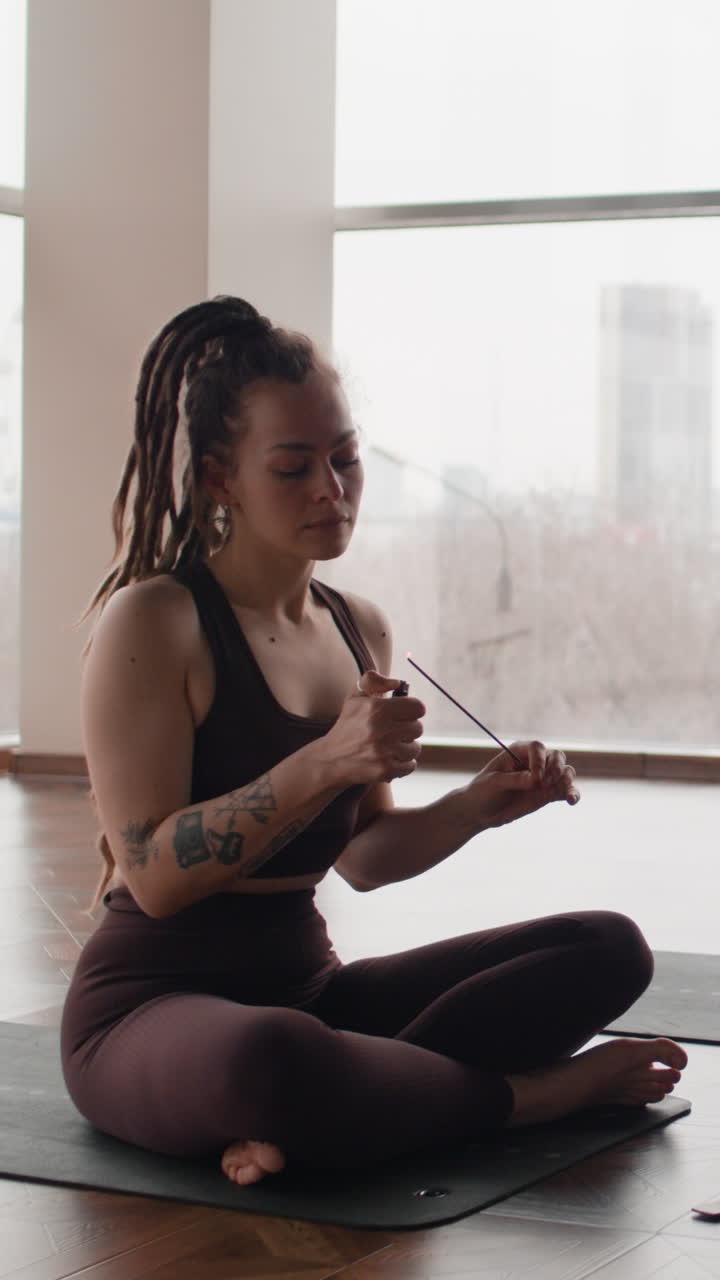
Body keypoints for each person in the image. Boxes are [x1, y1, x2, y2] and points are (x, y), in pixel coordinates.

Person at [61, 296, 686, 1187]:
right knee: (271, 1057)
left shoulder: (358, 627)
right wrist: (327, 759)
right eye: (293, 468)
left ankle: (339, 1110)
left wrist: (477, 808)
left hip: (314, 995)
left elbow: (364, 858)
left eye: (346, 458)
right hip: (151, 1007)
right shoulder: (156, 621)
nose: (332, 489)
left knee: (608, 947)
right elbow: (155, 878)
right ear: (218, 478)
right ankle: (531, 1097)